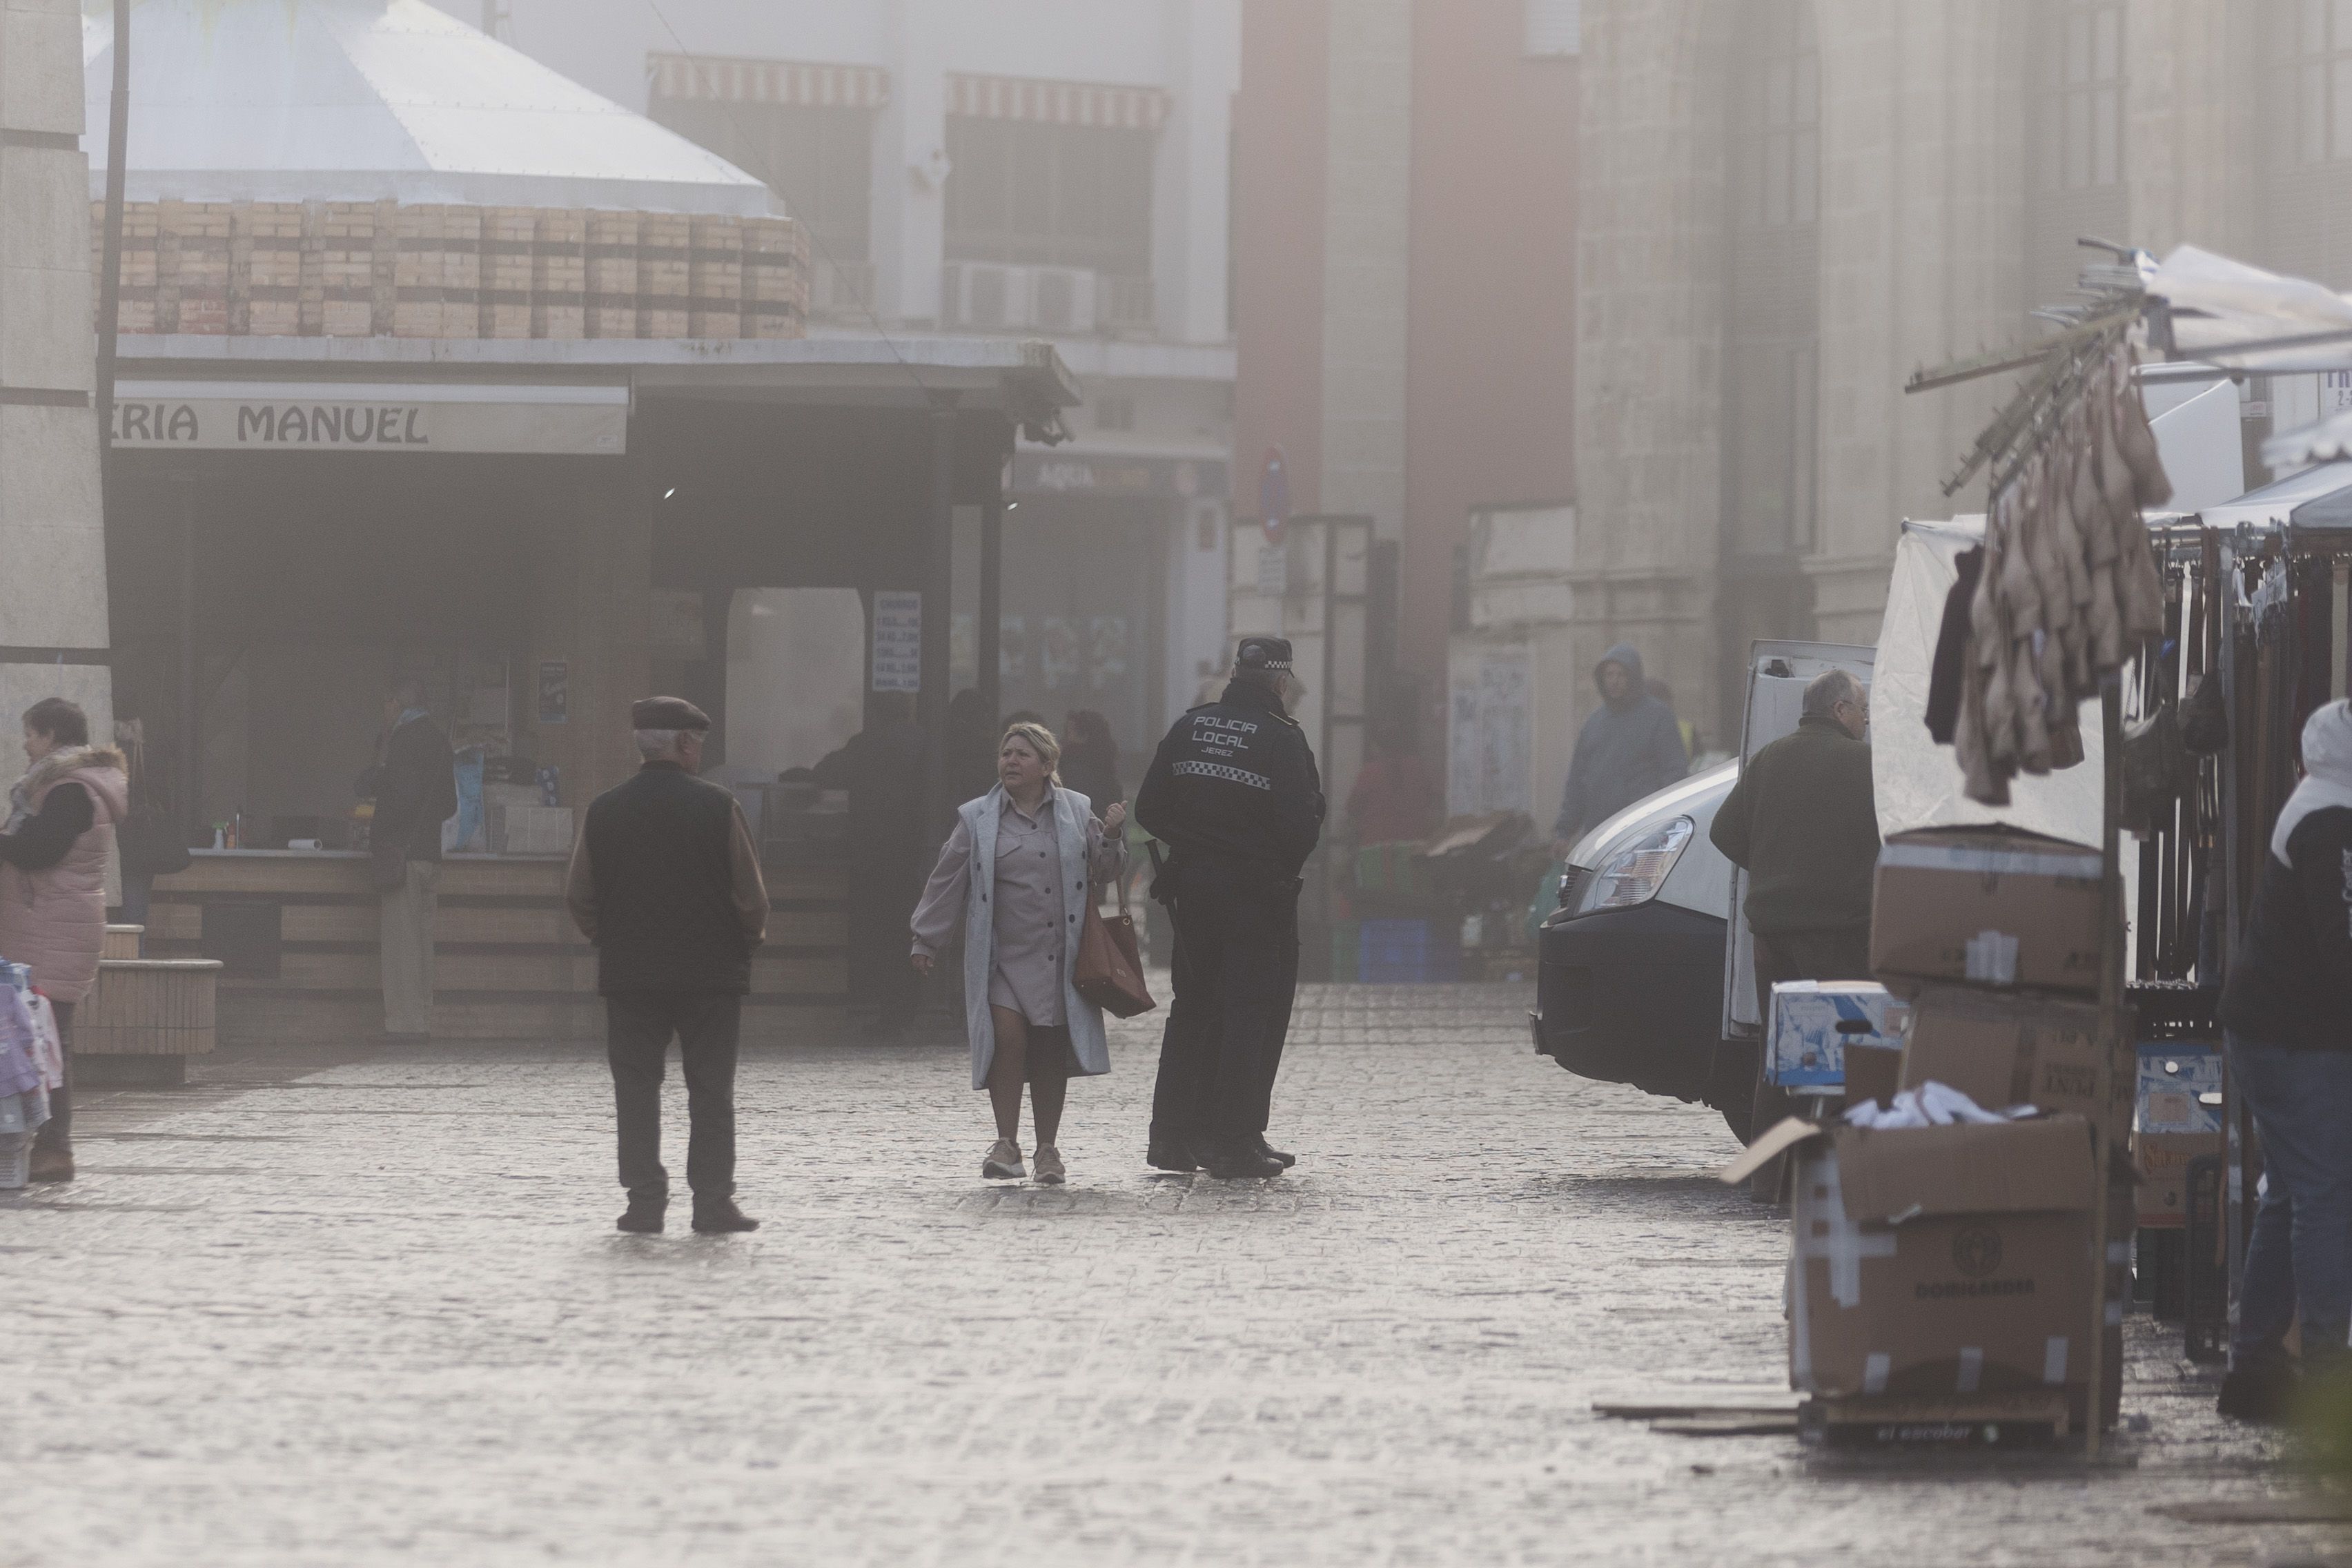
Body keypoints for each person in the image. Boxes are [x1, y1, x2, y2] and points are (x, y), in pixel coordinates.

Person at [566, 697, 766, 1235]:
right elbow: (751, 897)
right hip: (710, 975)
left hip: (630, 974)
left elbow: (580, 893)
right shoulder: (719, 806)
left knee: (635, 1090)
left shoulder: (604, 809)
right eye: (697, 741)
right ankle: (712, 1203)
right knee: (711, 1091)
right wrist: (744, 945)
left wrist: (607, 940)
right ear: (683, 743)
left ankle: (644, 1202)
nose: (699, 750)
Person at [1134, 636, 1325, 1179]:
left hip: (1191, 892)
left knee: (1192, 1010)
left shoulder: (1189, 727)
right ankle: (1233, 1139)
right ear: (1281, 684)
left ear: (1235, 674)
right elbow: (1301, 827)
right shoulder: (1282, 739)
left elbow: (1150, 807)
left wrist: (1197, 842)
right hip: (1254, 896)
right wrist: (1255, 854)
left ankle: (1171, 1138)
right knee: (1248, 1014)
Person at [908, 721, 1127, 1184]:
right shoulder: (978, 818)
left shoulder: (1075, 810)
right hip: (1002, 957)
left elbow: (1104, 870)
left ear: (1047, 766)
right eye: (1006, 753)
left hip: (1059, 955)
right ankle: (1006, 1144)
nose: (1010, 761)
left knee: (1049, 1048)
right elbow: (947, 879)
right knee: (1008, 1040)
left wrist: (1110, 835)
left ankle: (1048, 1149)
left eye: (1022, 755)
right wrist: (926, 937)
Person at [2215, 699, 2352, 1421]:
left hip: (2275, 1030)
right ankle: (2329, 1371)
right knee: (2327, 1190)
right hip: (2291, 1036)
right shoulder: (2330, 821)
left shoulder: (2324, 805)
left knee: (2295, 1189)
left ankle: (2256, 1364)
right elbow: (2341, 946)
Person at [1709, 667, 1877, 1150]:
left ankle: (1768, 1174)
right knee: (1852, 1052)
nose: (1866, 723)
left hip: (1772, 938)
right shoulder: (1863, 765)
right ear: (1840, 710)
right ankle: (1839, 1170)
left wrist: (1769, 867)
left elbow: (1723, 832)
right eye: (1863, 712)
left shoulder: (1768, 759)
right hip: (1840, 936)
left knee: (1779, 1052)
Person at [0, 698, 130, 1183]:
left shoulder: (71, 790)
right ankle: (47, 1147)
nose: (25, 743)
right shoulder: (75, 786)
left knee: (46, 1040)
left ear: (52, 736)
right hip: (53, 926)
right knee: (46, 1039)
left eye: (31, 733)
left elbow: (38, 851)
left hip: (52, 930)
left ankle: (53, 1149)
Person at [813, 692, 927, 1035]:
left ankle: (888, 1010)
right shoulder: (926, 741)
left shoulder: (870, 743)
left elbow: (826, 772)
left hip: (877, 851)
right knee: (910, 930)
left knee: (882, 933)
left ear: (874, 713)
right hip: (918, 850)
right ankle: (912, 1006)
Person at [355, 678, 457, 1042]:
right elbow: (450, 804)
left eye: (386, 704)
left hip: (403, 857)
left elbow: (395, 800)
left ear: (397, 704)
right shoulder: (440, 740)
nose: (384, 712)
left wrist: (381, 835)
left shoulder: (402, 741)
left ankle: (403, 1026)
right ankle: (423, 1019)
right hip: (431, 858)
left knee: (400, 945)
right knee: (423, 944)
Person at [1550, 645, 1687, 856]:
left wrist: (1663, 823)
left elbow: (1674, 773)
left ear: (1633, 677)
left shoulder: (1658, 717)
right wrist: (1564, 832)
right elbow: (1577, 781)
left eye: (1621, 674)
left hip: (1642, 833)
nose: (1614, 680)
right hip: (1598, 834)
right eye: (1609, 674)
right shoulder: (1594, 723)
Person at [1346, 716, 1442, 847]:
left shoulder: (1369, 772)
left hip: (1376, 851)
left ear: (1375, 746)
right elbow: (1432, 801)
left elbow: (1352, 808)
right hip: (1415, 849)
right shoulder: (1418, 768)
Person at [1059, 709, 1124, 821]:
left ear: (1084, 735)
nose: (1065, 737)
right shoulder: (1106, 764)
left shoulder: (1072, 764)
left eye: (1070, 732)